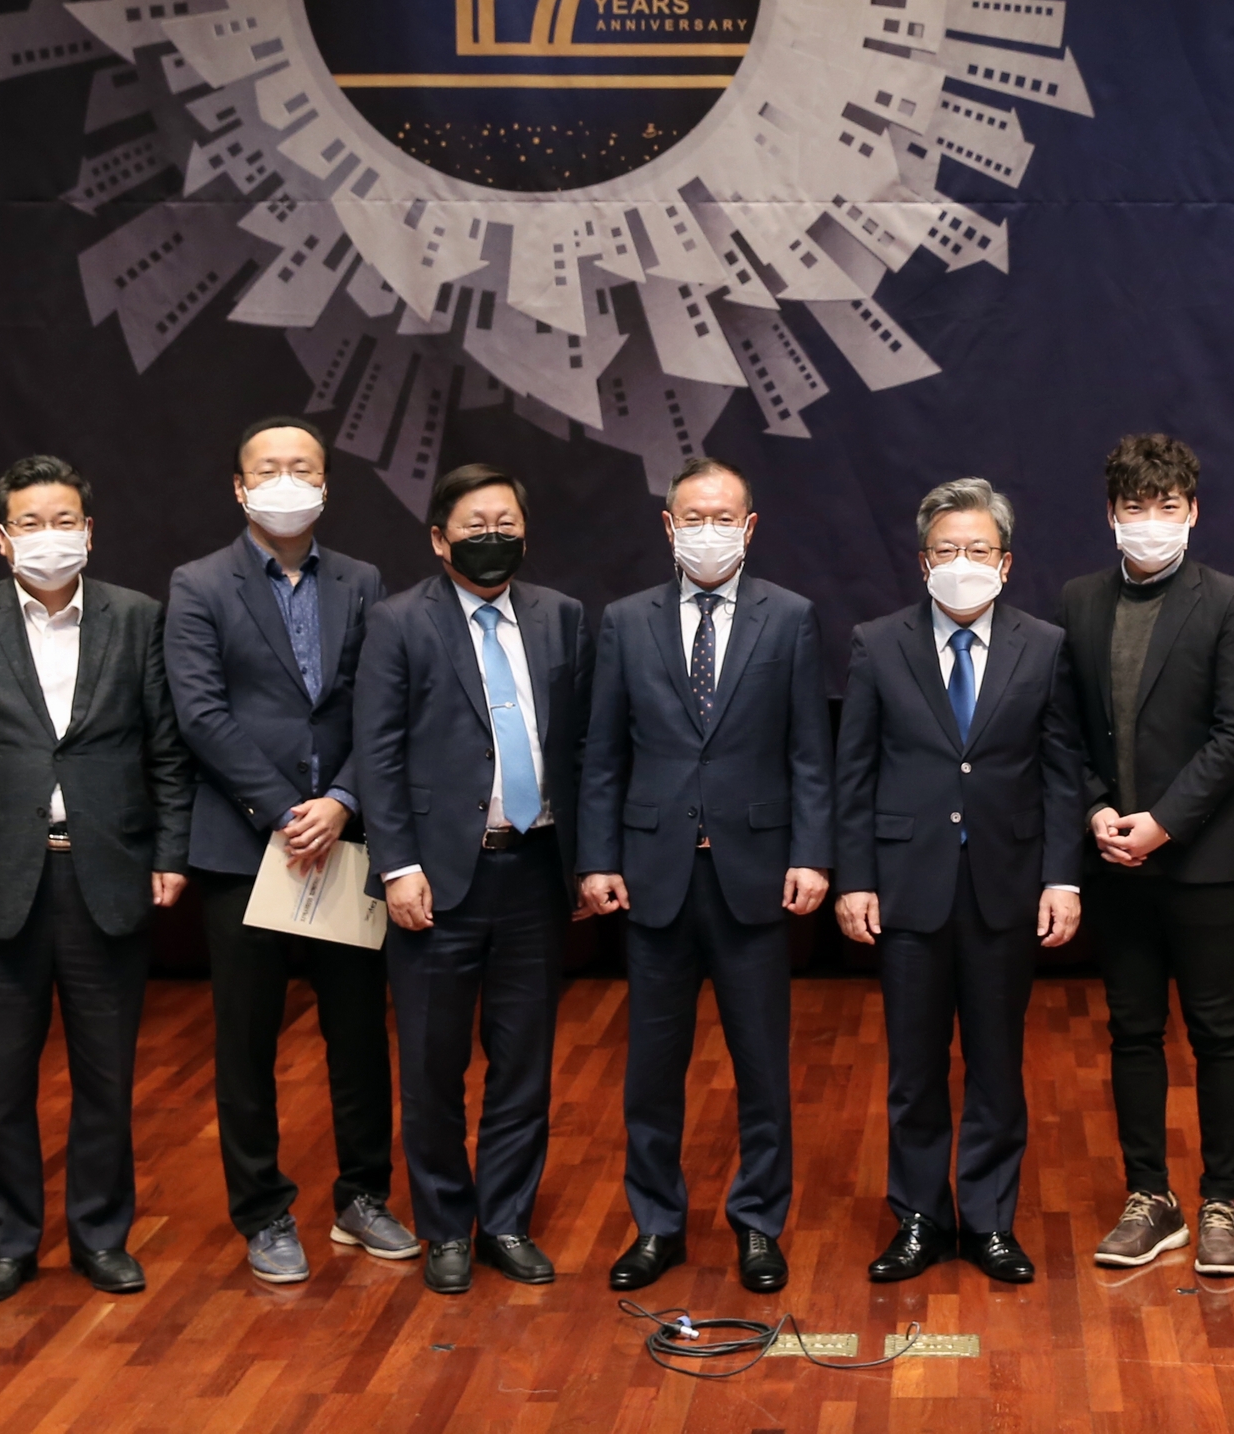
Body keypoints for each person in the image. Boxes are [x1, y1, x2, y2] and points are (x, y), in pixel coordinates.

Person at [0, 455, 194, 1306]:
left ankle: (101, 1237)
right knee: (2, 1085)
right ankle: (7, 1242)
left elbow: (168, 751)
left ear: (89, 531)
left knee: (107, 1081)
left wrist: (171, 853)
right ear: (2, 539)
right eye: (30, 524)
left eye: (64, 521)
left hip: (108, 875)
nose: (49, 536)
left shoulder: (137, 618)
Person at [163, 414, 413, 1285]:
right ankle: (264, 1211)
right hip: (245, 846)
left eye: (302, 467)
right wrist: (281, 810)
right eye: (267, 468)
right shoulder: (198, 584)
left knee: (359, 1034)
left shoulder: (361, 579)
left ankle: (362, 1196)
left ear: (325, 484)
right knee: (247, 1042)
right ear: (240, 488)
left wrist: (341, 801)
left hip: (345, 841)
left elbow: (375, 704)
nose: (285, 481)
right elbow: (201, 712)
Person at [576, 456, 831, 1297]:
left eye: (725, 517)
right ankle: (656, 1224)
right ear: (668, 525)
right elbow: (603, 754)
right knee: (652, 1071)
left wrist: (811, 853)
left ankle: (759, 1224)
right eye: (694, 517)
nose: (709, 530)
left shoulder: (790, 617)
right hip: (653, 877)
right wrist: (597, 858)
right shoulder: (626, 621)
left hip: (755, 875)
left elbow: (809, 753)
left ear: (750, 528)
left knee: (762, 1068)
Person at [834, 477, 1087, 1285]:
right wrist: (854, 878)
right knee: (914, 1070)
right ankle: (919, 1219)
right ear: (923, 562)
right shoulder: (878, 643)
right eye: (947, 550)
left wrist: (1062, 878)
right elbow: (855, 772)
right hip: (907, 886)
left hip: (1004, 887)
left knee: (996, 1066)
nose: (962, 562)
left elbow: (1062, 774)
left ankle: (988, 1221)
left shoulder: (1043, 645)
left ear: (1006, 563)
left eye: (979, 549)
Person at [357, 462, 591, 1295]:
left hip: (535, 868)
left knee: (523, 1062)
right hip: (436, 877)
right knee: (432, 1065)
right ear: (438, 539)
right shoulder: (398, 622)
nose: (492, 538)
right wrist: (398, 866)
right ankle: (446, 1228)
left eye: (506, 524)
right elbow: (378, 753)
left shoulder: (562, 616)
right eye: (474, 526)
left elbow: (582, 745)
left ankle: (507, 1221)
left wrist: (588, 860)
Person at [1056, 434, 1234, 1276]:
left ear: (1193, 512)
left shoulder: (1229, 602)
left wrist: (1165, 822)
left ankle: (1221, 1202)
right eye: (1134, 507)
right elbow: (1065, 728)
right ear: (1111, 514)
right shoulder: (1078, 600)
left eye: (1167, 506)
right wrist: (1098, 810)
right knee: (1133, 1032)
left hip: (1203, 858)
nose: (1150, 521)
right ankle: (1150, 1197)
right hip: (1116, 859)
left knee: (1216, 1032)